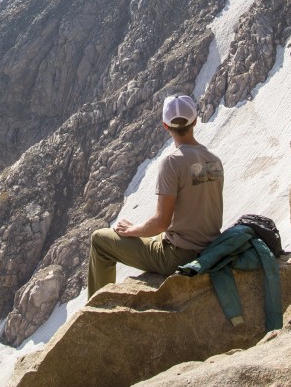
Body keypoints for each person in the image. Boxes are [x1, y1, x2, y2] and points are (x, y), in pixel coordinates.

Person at [86, 94, 224, 297]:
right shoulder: (213, 160)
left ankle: (96, 309)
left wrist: (132, 230)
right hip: (210, 249)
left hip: (178, 256)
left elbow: (161, 223)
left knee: (99, 239)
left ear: (165, 126)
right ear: (194, 121)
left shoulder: (172, 162)